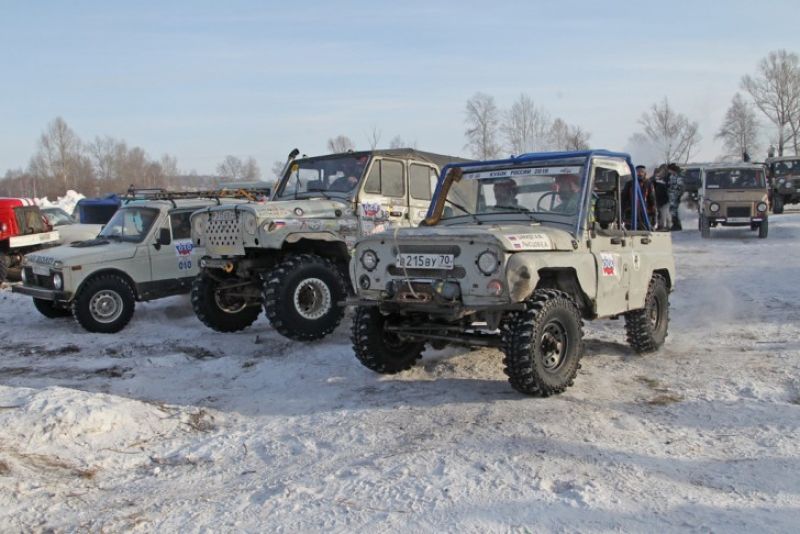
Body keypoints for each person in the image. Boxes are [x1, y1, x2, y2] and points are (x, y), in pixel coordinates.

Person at [622, 165, 657, 230]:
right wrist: (623, 211)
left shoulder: (648, 184)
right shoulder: (629, 184)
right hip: (631, 212)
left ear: (645, 173)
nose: (640, 173)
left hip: (645, 212)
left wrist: (654, 216)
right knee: (630, 230)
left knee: (645, 230)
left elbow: (652, 200)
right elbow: (623, 199)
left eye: (642, 172)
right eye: (638, 172)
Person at [666, 163, 684, 231]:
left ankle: (676, 225)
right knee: (672, 211)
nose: (669, 171)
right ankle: (676, 224)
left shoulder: (678, 176)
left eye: (669, 170)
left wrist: (673, 189)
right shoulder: (672, 176)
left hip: (675, 196)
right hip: (672, 196)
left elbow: (680, 186)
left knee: (674, 211)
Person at [653, 165, 670, 231]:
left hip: (663, 200)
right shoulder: (654, 181)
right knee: (660, 214)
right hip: (658, 200)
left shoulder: (664, 180)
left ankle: (664, 226)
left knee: (664, 214)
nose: (658, 175)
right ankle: (661, 226)